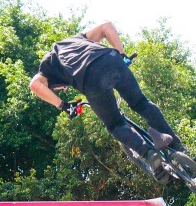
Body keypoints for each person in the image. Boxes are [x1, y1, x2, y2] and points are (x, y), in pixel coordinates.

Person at [29, 21, 182, 181]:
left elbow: (35, 84)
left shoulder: (49, 62)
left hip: (91, 78)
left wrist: (63, 106)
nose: (64, 88)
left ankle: (149, 154)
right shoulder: (76, 39)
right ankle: (178, 147)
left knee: (115, 124)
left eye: (60, 88)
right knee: (141, 103)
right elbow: (106, 26)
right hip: (111, 59)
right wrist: (122, 54)